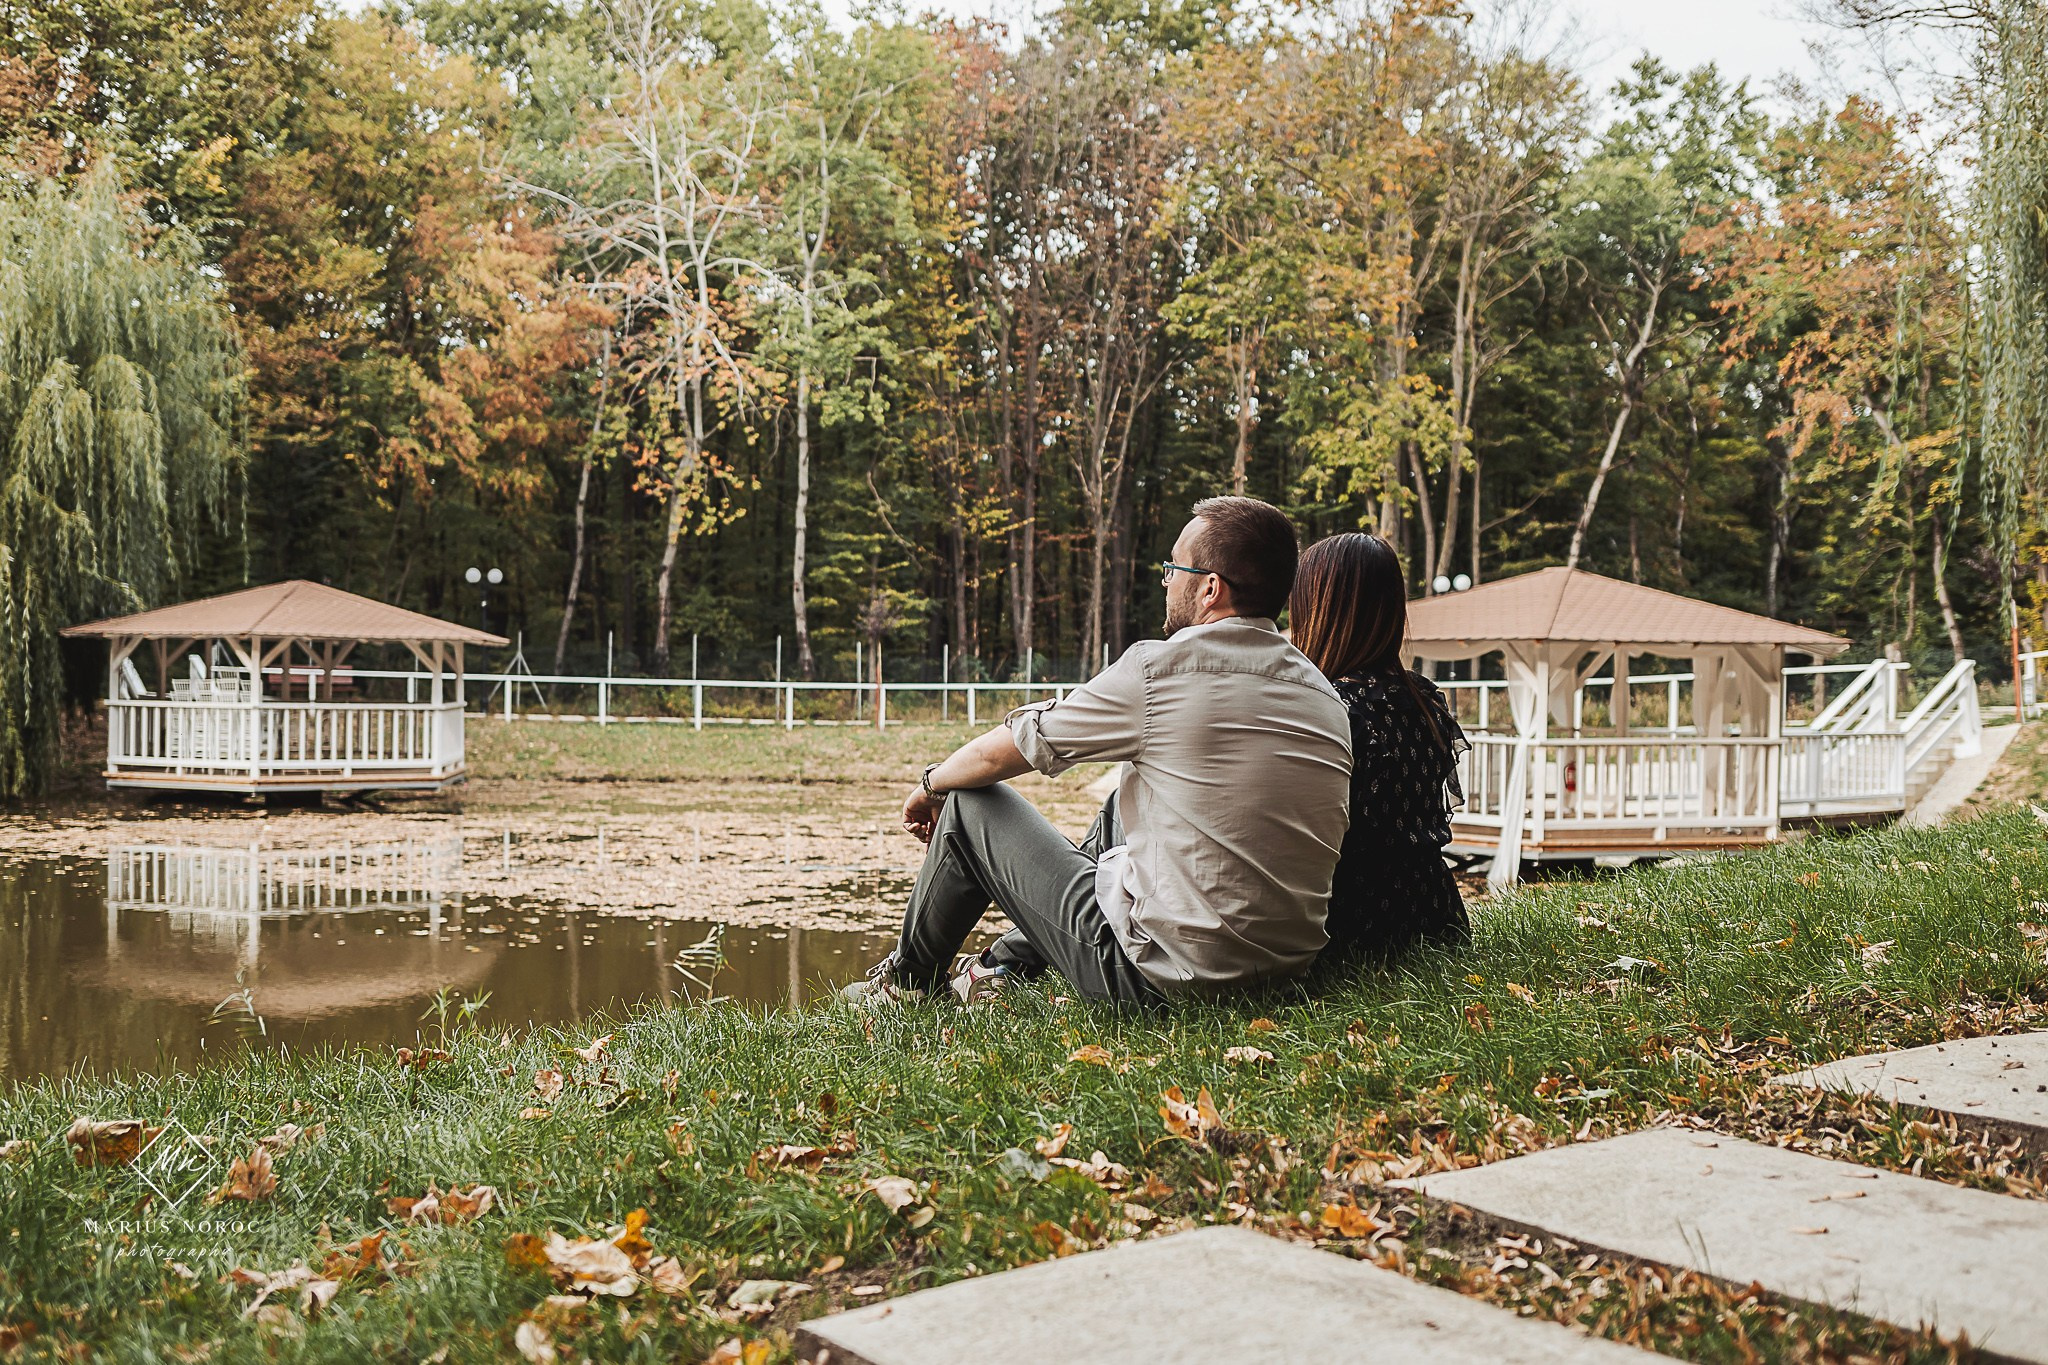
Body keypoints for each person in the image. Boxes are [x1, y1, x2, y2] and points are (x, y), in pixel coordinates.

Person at [844, 496, 1354, 1006]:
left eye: (1172, 568)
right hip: (1281, 977)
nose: (1165, 582)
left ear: (1209, 588)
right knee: (1120, 808)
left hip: (1158, 981)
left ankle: (904, 986)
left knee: (969, 802)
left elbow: (1015, 746)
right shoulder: (1322, 694)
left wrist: (930, 785)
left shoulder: (1162, 671)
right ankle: (1003, 968)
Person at [1287, 532, 1470, 958]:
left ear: (1318, 612)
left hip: (1353, 926)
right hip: (1435, 917)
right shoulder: (1423, 698)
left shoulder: (1327, 708)